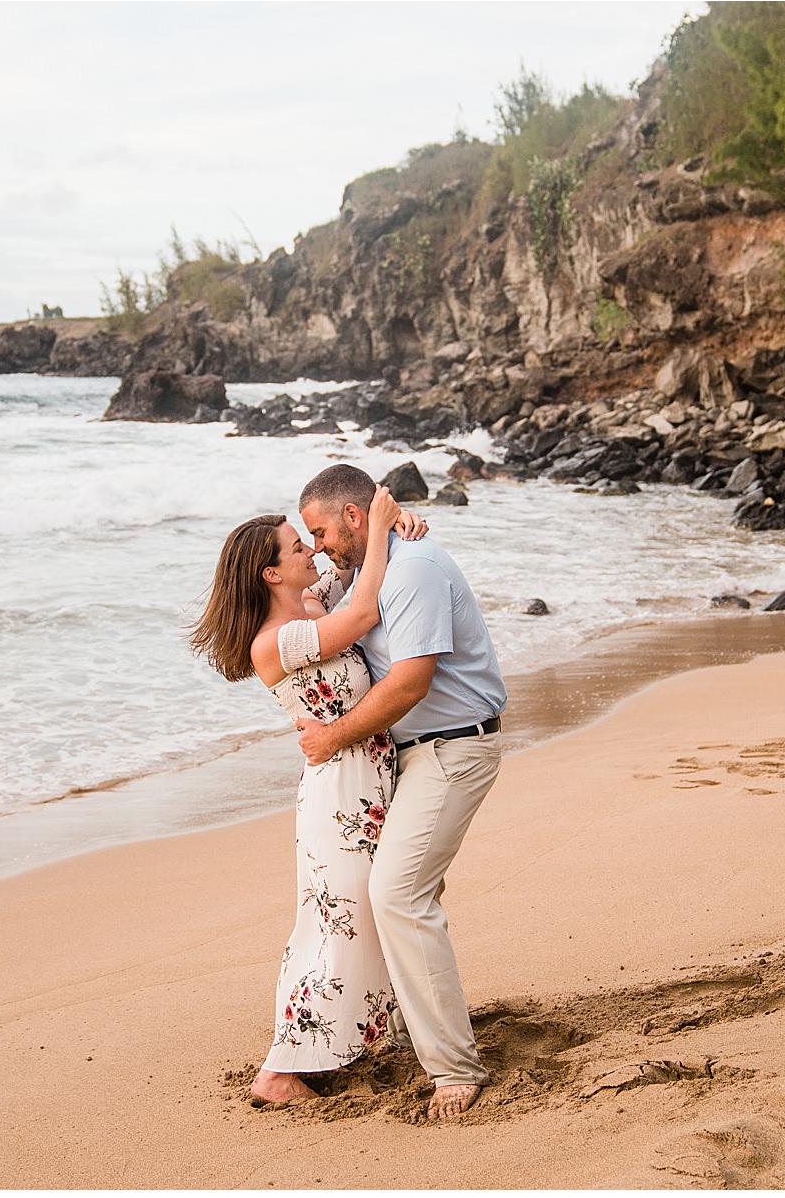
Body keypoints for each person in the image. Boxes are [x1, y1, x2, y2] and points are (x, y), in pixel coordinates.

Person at [189, 486, 425, 1108]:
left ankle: (360, 1041)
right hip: (341, 791)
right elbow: (366, 612)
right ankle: (280, 1070)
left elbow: (355, 576)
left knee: (366, 917)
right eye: (299, 546)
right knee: (337, 925)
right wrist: (377, 525)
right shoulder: (274, 641)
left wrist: (401, 526)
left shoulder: (311, 606)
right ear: (272, 573)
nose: (311, 549)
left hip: (368, 776)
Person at [293, 463, 507, 1122]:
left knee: (397, 893)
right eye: (307, 538)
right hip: (411, 755)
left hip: (452, 747)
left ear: (354, 518)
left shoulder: (409, 569)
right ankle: (416, 1030)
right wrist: (392, 524)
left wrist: (332, 737)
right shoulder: (366, 569)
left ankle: (453, 1067)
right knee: (402, 895)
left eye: (322, 531)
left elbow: (412, 682)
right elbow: (323, 597)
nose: (319, 544)